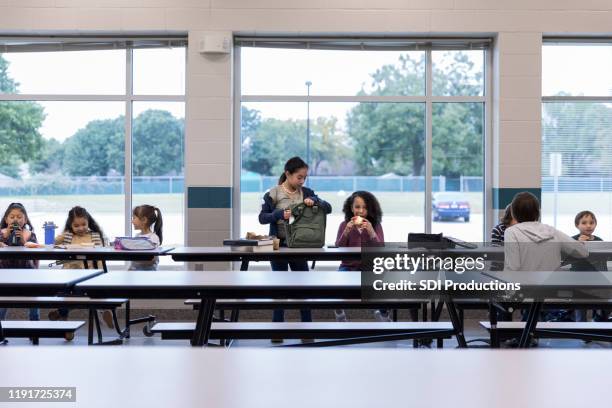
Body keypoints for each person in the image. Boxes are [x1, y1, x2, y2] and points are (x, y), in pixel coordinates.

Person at [258, 157, 332, 339]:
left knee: (303, 288)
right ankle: (277, 331)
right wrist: (279, 214)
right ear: (288, 174)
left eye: (304, 178)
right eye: (299, 177)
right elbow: (262, 218)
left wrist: (314, 201)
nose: (302, 181)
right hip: (279, 247)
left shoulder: (306, 192)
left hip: (300, 247)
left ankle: (307, 330)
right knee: (279, 290)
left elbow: (328, 208)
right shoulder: (273, 193)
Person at [48, 206, 108, 335]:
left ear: (88, 222)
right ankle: (65, 323)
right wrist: (55, 233)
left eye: (83, 224)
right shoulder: (68, 236)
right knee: (63, 295)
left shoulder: (95, 236)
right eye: (76, 225)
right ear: (70, 225)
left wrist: (101, 273)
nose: (81, 228)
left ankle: (102, 310)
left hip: (89, 274)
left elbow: (100, 258)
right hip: (69, 274)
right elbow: (52, 243)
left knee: (83, 295)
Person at [504, 192, 588, 272]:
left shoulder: (511, 232)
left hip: (525, 285)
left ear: (513, 213)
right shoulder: (551, 231)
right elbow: (583, 253)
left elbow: (512, 267)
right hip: (553, 285)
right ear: (538, 212)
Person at [334, 191, 384, 322]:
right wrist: (346, 231)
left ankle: (381, 312)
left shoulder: (376, 225)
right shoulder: (344, 225)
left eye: (365, 208)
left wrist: (371, 231)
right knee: (336, 286)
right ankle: (339, 313)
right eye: (357, 207)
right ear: (351, 208)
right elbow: (339, 247)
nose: (361, 211)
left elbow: (380, 249)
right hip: (348, 266)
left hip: (369, 267)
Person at [0, 202, 39, 322]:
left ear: (25, 219)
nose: (15, 220)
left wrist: (23, 241)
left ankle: (34, 331)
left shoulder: (30, 234)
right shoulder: (1, 232)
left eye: (19, 217)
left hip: (27, 274)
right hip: (5, 275)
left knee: (33, 304)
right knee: (2, 305)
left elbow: (35, 254)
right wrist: (5, 236)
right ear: (6, 219)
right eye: (12, 217)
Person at [570, 210, 607, 322]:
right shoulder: (572, 240)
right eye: (584, 223)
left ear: (595, 224)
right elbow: (567, 257)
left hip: (596, 280)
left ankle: (600, 318)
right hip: (578, 280)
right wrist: (578, 244)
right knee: (580, 304)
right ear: (577, 225)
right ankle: (581, 328)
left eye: (592, 222)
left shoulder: (599, 241)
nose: (588, 226)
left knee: (606, 300)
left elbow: (602, 262)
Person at [129, 205, 163, 271]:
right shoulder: (137, 236)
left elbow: (152, 260)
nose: (132, 221)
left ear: (144, 220)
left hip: (148, 274)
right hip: (135, 273)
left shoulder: (153, 238)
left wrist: (134, 258)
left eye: (134, 218)